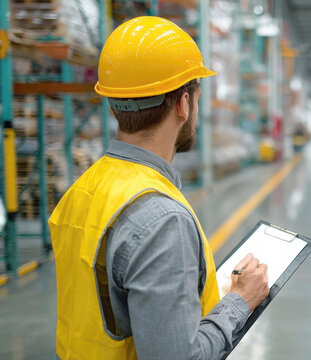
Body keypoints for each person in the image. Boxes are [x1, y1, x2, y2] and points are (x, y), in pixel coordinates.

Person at [49, 17, 270, 360]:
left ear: (113, 102)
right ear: (184, 104)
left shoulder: (83, 189)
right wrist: (241, 301)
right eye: (196, 98)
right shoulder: (162, 220)